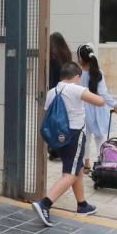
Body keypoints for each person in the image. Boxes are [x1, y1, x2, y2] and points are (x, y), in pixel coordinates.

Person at [31, 61, 106, 226]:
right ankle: (45, 203)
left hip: (59, 136)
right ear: (77, 76)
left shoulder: (52, 92)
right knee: (70, 174)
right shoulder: (75, 88)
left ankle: (82, 204)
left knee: (76, 168)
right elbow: (100, 101)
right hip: (75, 134)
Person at [77, 44, 117, 172]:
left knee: (84, 138)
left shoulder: (78, 74)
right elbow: (103, 93)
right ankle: (102, 163)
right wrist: (115, 105)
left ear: (80, 59)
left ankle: (85, 164)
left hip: (82, 110)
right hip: (98, 109)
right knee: (100, 138)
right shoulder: (98, 73)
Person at [47, 32, 74, 160]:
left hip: (54, 91)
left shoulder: (52, 58)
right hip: (67, 92)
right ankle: (61, 148)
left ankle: (54, 149)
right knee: (63, 121)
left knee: (53, 122)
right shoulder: (67, 56)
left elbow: (51, 78)